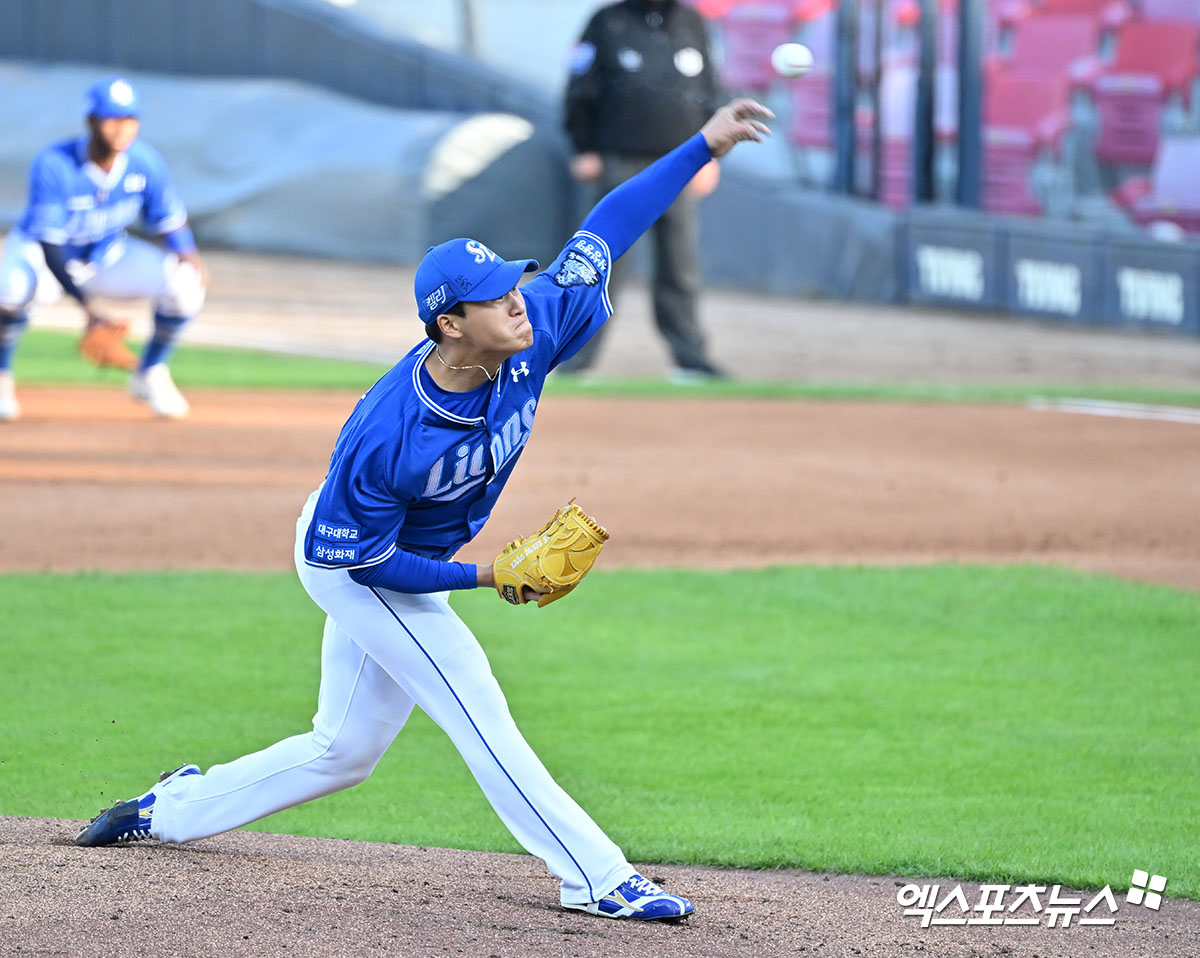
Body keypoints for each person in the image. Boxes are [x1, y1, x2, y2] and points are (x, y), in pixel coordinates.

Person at [74, 98, 773, 922]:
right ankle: (596, 875)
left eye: (513, 280)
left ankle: (173, 809)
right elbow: (362, 562)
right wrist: (486, 575)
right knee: (475, 703)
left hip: (401, 560)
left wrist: (701, 143)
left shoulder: (535, 324)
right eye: (492, 295)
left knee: (343, 752)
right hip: (354, 564)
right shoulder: (388, 432)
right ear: (451, 323)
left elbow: (610, 223)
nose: (517, 297)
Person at [0, 76, 207, 421]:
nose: (121, 128)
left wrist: (189, 253)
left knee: (186, 283)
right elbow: (51, 246)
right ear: (91, 122)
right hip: (45, 257)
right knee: (11, 289)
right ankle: (2, 373)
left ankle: (150, 373)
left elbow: (169, 221)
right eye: (111, 118)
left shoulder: (144, 162)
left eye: (129, 119)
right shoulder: (56, 164)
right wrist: (88, 308)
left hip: (108, 257)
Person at [563, 0, 725, 382]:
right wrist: (583, 145)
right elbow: (580, 84)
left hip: (681, 163)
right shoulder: (607, 22)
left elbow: (708, 89)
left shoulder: (691, 22)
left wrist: (711, 154)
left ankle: (690, 359)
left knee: (679, 265)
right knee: (599, 263)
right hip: (620, 161)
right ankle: (575, 358)